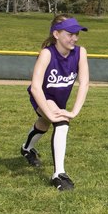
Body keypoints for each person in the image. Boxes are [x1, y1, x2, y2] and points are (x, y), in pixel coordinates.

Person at [20, 16, 89, 191]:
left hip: (59, 99)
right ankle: (59, 174)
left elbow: (85, 83)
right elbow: (36, 87)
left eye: (77, 34)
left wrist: (74, 111)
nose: (74, 38)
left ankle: (27, 148)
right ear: (56, 34)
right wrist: (52, 113)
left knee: (43, 124)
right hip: (42, 96)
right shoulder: (47, 53)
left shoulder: (80, 52)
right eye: (70, 34)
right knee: (61, 123)